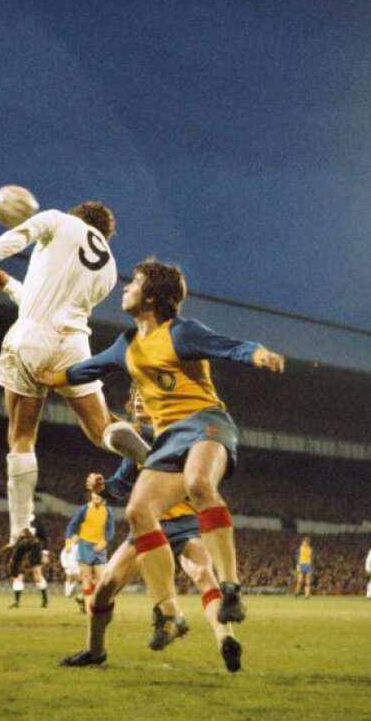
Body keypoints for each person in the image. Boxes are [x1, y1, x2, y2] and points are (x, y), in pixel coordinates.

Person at [40, 258, 285, 651]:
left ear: (151, 296)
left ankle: (231, 588)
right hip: (169, 439)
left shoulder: (181, 333)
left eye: (133, 283)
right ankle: (168, 613)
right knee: (139, 512)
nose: (125, 288)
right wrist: (51, 378)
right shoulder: (127, 346)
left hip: (205, 422)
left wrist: (260, 355)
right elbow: (88, 369)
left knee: (199, 483)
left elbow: (231, 347)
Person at [0, 201, 150, 546]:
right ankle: (152, 456)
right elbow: (54, 303)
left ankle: (21, 531)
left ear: (77, 214)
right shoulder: (109, 267)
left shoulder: (57, 220)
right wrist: (8, 284)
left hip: (32, 337)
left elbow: (22, 233)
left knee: (22, 436)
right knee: (101, 427)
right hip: (75, 347)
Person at [60, 387, 242, 672]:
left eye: (145, 395)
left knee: (203, 574)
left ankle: (225, 639)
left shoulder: (182, 433)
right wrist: (103, 487)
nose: (138, 400)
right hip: (149, 526)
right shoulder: (139, 438)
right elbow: (121, 486)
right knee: (105, 586)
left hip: (184, 523)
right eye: (135, 397)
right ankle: (95, 651)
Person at [64, 487, 114, 612]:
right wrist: (68, 543)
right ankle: (88, 608)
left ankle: (83, 598)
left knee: (102, 580)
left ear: (103, 496)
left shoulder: (108, 510)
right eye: (94, 493)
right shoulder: (84, 509)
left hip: (99, 547)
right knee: (86, 577)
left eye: (99, 494)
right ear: (91, 495)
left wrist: (103, 543)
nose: (96, 496)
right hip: (85, 545)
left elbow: (110, 530)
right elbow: (72, 525)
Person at [8, 516, 49, 608]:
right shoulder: (18, 521)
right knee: (18, 574)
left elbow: (44, 538)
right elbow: (14, 538)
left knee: (37, 575)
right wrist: (13, 555)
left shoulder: (35, 521)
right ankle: (16, 602)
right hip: (20, 549)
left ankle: (45, 600)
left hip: (34, 549)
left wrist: (45, 553)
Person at [59, 538, 84, 611]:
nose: (76, 539)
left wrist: (82, 564)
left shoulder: (80, 546)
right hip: (69, 565)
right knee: (69, 579)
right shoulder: (68, 546)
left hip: (78, 566)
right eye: (75, 537)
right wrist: (65, 565)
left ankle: (78, 594)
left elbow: (82, 556)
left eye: (77, 537)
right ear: (72, 538)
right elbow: (63, 555)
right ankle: (68, 593)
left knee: (79, 580)